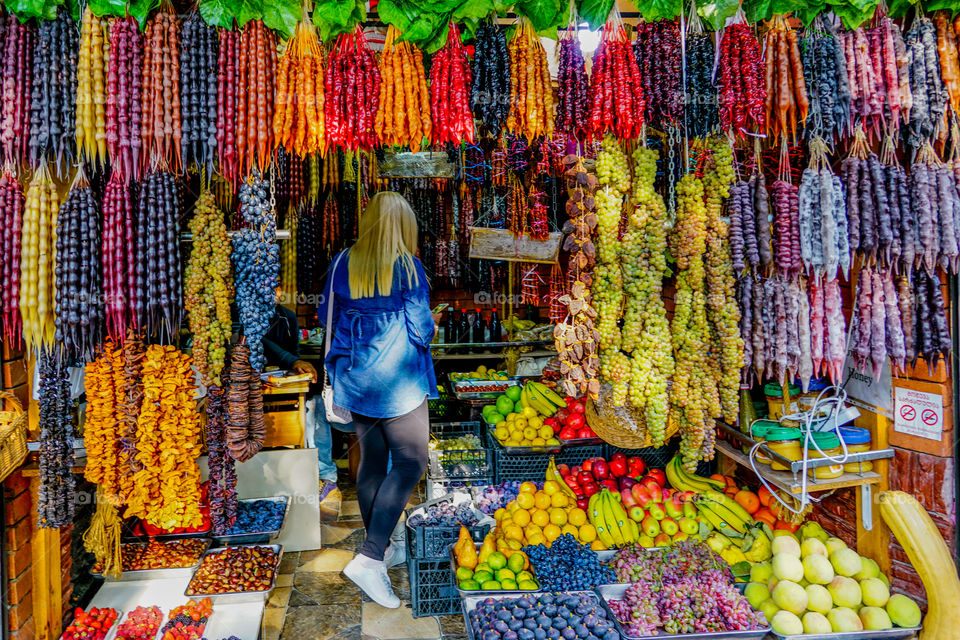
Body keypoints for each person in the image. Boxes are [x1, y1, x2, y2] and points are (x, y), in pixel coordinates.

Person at [319, 191, 439, 608]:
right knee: (410, 463)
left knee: (371, 463)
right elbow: (422, 331)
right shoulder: (408, 267)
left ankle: (382, 548)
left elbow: (325, 318)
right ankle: (370, 558)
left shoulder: (340, 262)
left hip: (356, 381)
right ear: (403, 228)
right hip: (399, 385)